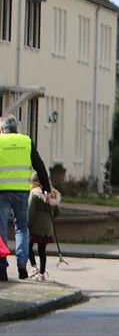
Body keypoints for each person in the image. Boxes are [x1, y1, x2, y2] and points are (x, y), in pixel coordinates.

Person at [0, 115, 51, 282]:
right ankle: (22, 264)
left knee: (1, 229)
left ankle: (2, 266)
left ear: (2, 129)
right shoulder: (26, 141)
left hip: (2, 191)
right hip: (22, 192)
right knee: (21, 227)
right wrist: (46, 189)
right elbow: (39, 166)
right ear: (16, 128)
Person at [27, 173, 60, 281]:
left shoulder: (34, 194)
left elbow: (31, 212)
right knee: (42, 251)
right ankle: (42, 273)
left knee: (28, 246)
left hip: (36, 226)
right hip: (47, 227)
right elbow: (57, 212)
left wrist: (27, 224)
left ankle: (33, 267)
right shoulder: (52, 194)